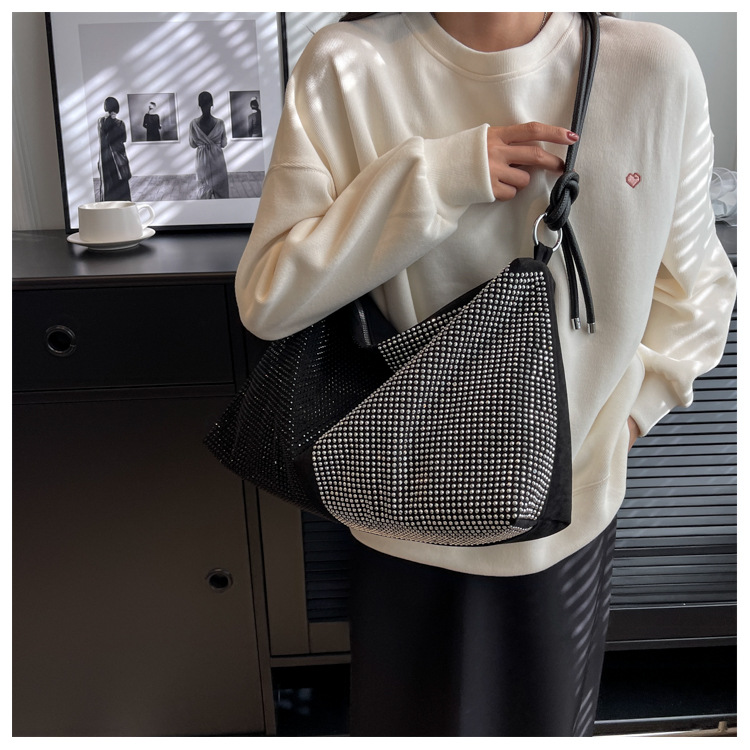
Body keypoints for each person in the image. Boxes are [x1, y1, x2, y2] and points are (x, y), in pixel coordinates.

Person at [233, 13, 736, 736]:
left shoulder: (654, 67)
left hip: (570, 507)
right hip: (398, 498)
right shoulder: (346, 64)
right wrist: (437, 177)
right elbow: (270, 296)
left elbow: (697, 287)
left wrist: (629, 418)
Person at [189, 91, 229, 199]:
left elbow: (192, 144)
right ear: (212, 103)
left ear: (199, 105)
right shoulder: (220, 123)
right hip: (217, 158)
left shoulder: (193, 124)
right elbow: (224, 143)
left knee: (203, 189)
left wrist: (202, 143)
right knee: (221, 190)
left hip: (202, 160)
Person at [97, 96, 131, 201]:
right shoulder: (120, 123)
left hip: (106, 156)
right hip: (118, 154)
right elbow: (123, 139)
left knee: (110, 183)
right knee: (121, 182)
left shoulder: (101, 121)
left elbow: (104, 136)